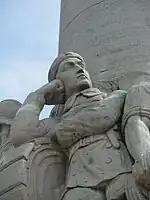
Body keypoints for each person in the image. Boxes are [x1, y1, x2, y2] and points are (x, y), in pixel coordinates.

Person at [10, 52, 148, 200]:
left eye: (81, 66)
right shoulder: (59, 119)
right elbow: (21, 136)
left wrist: (60, 132)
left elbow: (103, 116)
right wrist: (38, 95)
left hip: (119, 174)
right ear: (58, 82)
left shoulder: (115, 96)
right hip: (78, 184)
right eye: (69, 67)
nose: (80, 69)